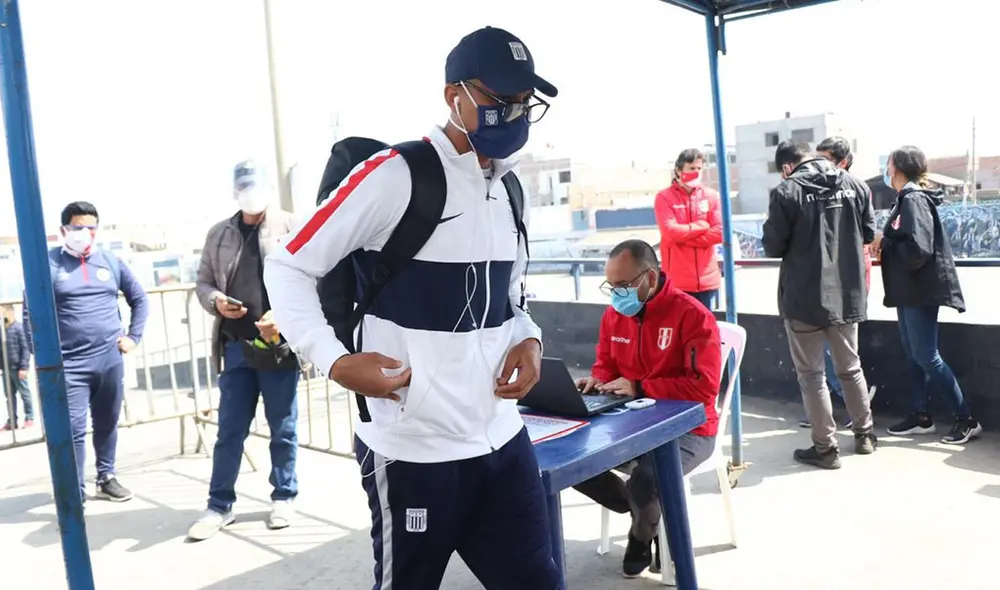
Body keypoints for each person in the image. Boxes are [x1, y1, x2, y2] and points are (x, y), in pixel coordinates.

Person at [263, 26, 561, 589]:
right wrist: (334, 361)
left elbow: (511, 297)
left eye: (525, 102)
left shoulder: (511, 188)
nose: (516, 113)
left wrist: (529, 338)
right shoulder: (395, 175)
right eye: (500, 99)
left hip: (504, 441)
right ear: (454, 96)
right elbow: (287, 265)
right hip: (414, 453)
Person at [572, 239, 721, 578]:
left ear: (650, 278)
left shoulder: (693, 316)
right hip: (628, 421)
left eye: (623, 285)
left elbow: (703, 388)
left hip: (689, 428)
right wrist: (598, 382)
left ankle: (641, 534)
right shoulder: (614, 316)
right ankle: (644, 513)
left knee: (647, 480)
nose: (616, 294)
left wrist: (640, 387)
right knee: (574, 459)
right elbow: (605, 364)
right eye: (611, 286)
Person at [187, 161, 301, 541]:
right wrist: (217, 301)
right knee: (230, 430)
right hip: (236, 346)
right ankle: (219, 505)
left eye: (256, 186)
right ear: (234, 191)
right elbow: (203, 282)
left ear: (268, 188)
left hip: (278, 346)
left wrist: (282, 316)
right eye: (243, 187)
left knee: (283, 427)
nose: (250, 194)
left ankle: (284, 496)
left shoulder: (291, 225)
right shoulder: (219, 233)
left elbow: (313, 279)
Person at [762, 141, 877, 470]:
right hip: (846, 293)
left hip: (803, 298)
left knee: (812, 375)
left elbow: (772, 246)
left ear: (787, 167)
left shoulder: (786, 192)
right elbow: (868, 233)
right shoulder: (855, 185)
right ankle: (865, 435)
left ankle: (826, 449)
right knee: (850, 368)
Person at [23, 201, 149, 501]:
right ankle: (74, 491)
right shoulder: (48, 263)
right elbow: (30, 313)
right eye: (77, 227)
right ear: (63, 230)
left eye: (90, 228)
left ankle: (106, 477)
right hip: (69, 364)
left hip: (109, 358)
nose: (84, 233)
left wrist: (133, 337)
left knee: (107, 421)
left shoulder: (110, 260)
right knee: (73, 429)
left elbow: (140, 299)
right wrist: (41, 356)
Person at [873, 146, 982, 445]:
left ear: (897, 168)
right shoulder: (904, 199)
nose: (886, 169)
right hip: (908, 291)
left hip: (919, 291)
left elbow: (919, 248)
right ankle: (920, 416)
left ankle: (966, 419)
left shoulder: (913, 200)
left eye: (889, 163)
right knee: (913, 355)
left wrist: (886, 243)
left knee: (926, 356)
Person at [796, 137, 878, 429]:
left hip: (847, 281)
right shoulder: (818, 188)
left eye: (826, 159)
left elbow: (867, 234)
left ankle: (849, 410)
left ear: (843, 162)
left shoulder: (854, 188)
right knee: (826, 356)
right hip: (828, 281)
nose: (818, 165)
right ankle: (836, 413)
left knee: (837, 357)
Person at [654, 148, 723, 310]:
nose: (696, 172)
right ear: (679, 170)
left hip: (707, 283)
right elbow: (670, 232)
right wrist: (702, 226)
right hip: (677, 284)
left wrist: (683, 238)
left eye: (699, 168)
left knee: (704, 325)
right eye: (691, 168)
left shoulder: (711, 196)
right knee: (678, 326)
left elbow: (720, 232)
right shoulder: (664, 197)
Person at [2, 304, 33, 430]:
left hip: (18, 368)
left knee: (24, 393)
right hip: (6, 368)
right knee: (9, 396)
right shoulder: (2, 330)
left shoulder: (19, 328)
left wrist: (24, 367)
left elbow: (25, 348)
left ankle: (29, 417)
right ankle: (12, 421)